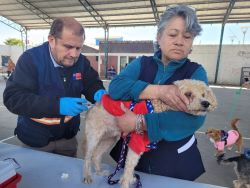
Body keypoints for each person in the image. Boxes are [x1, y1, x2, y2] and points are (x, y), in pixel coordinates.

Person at [109, 5, 208, 181]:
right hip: (134, 158)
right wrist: (159, 91)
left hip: (175, 163)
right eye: (172, 34)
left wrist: (139, 122)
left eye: (187, 37)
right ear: (159, 37)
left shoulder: (196, 73)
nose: (179, 41)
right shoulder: (141, 63)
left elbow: (195, 117)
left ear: (192, 43)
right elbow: (116, 87)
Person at [3, 17, 106, 157]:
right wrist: (57, 106)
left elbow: (91, 82)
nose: (74, 54)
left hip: (68, 138)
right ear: (52, 40)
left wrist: (98, 93)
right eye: (68, 47)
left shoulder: (81, 61)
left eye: (78, 48)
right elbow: (13, 99)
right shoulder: (30, 60)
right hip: (36, 140)